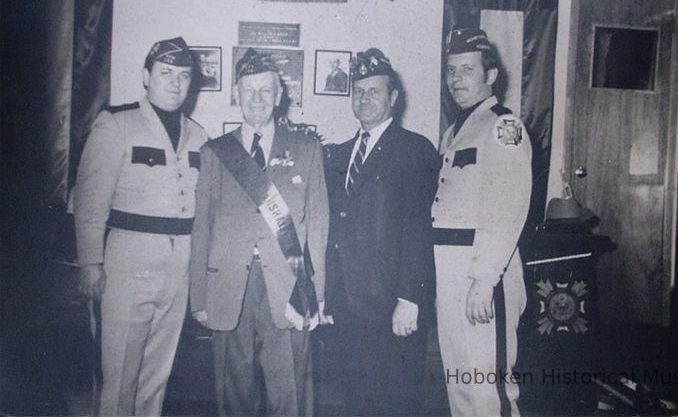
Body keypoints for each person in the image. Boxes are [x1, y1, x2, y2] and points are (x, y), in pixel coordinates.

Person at [189, 48, 329, 416]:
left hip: (288, 287)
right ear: (236, 93)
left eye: (265, 90)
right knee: (233, 394)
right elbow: (202, 226)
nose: (256, 99)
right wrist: (198, 296)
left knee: (291, 394)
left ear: (279, 96)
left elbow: (318, 224)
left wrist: (317, 294)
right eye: (249, 90)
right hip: (228, 288)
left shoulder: (306, 148)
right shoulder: (216, 153)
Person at [74, 37, 208, 416]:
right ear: (146, 76)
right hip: (128, 265)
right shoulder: (116, 124)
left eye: (184, 76)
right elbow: (89, 201)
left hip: (179, 266)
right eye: (166, 73)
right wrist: (89, 263)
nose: (175, 83)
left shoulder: (200, 135)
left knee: (157, 374)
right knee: (119, 374)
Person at [324, 48, 439, 415]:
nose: (364, 98)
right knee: (355, 396)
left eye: (374, 91)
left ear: (393, 97)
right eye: (358, 91)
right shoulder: (340, 155)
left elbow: (419, 230)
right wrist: (328, 294)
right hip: (347, 302)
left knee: (396, 400)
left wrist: (410, 298)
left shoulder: (414, 150)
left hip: (392, 304)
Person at [431, 28, 532, 416]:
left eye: (467, 70)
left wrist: (485, 280)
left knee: (488, 387)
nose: (456, 79)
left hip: (484, 273)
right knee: (460, 383)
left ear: (490, 76)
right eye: (451, 70)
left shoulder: (503, 127)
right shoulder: (456, 130)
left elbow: (507, 209)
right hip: (451, 272)